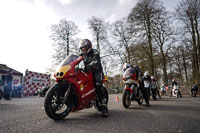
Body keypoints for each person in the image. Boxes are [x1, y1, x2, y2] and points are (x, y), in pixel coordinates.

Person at [79, 39, 108, 117]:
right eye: (82, 48)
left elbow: (95, 62)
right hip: (87, 71)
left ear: (89, 47)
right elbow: (76, 60)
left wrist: (88, 67)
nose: (83, 49)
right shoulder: (81, 55)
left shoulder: (95, 52)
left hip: (97, 71)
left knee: (98, 85)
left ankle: (104, 106)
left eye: (84, 48)